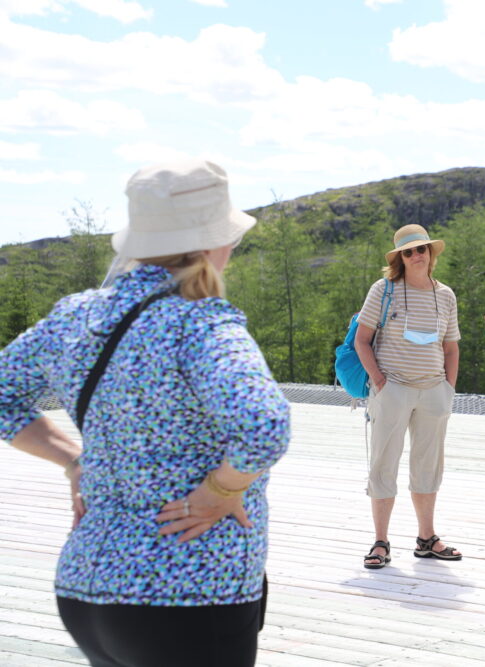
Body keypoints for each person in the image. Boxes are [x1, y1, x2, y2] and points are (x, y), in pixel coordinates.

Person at [0, 158, 290, 667]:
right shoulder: (200, 324)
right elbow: (264, 424)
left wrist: (73, 460)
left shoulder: (77, 314)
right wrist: (222, 488)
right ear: (210, 244)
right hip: (193, 591)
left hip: (87, 588)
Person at [354, 224, 462, 569]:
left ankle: (427, 538)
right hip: (393, 389)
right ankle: (381, 542)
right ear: (400, 258)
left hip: (434, 391)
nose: (416, 255)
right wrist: (380, 381)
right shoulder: (384, 290)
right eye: (408, 251)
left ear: (431, 253)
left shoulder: (445, 294)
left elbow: (451, 347)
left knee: (428, 466)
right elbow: (362, 340)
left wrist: (448, 387)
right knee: (383, 464)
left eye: (421, 249)